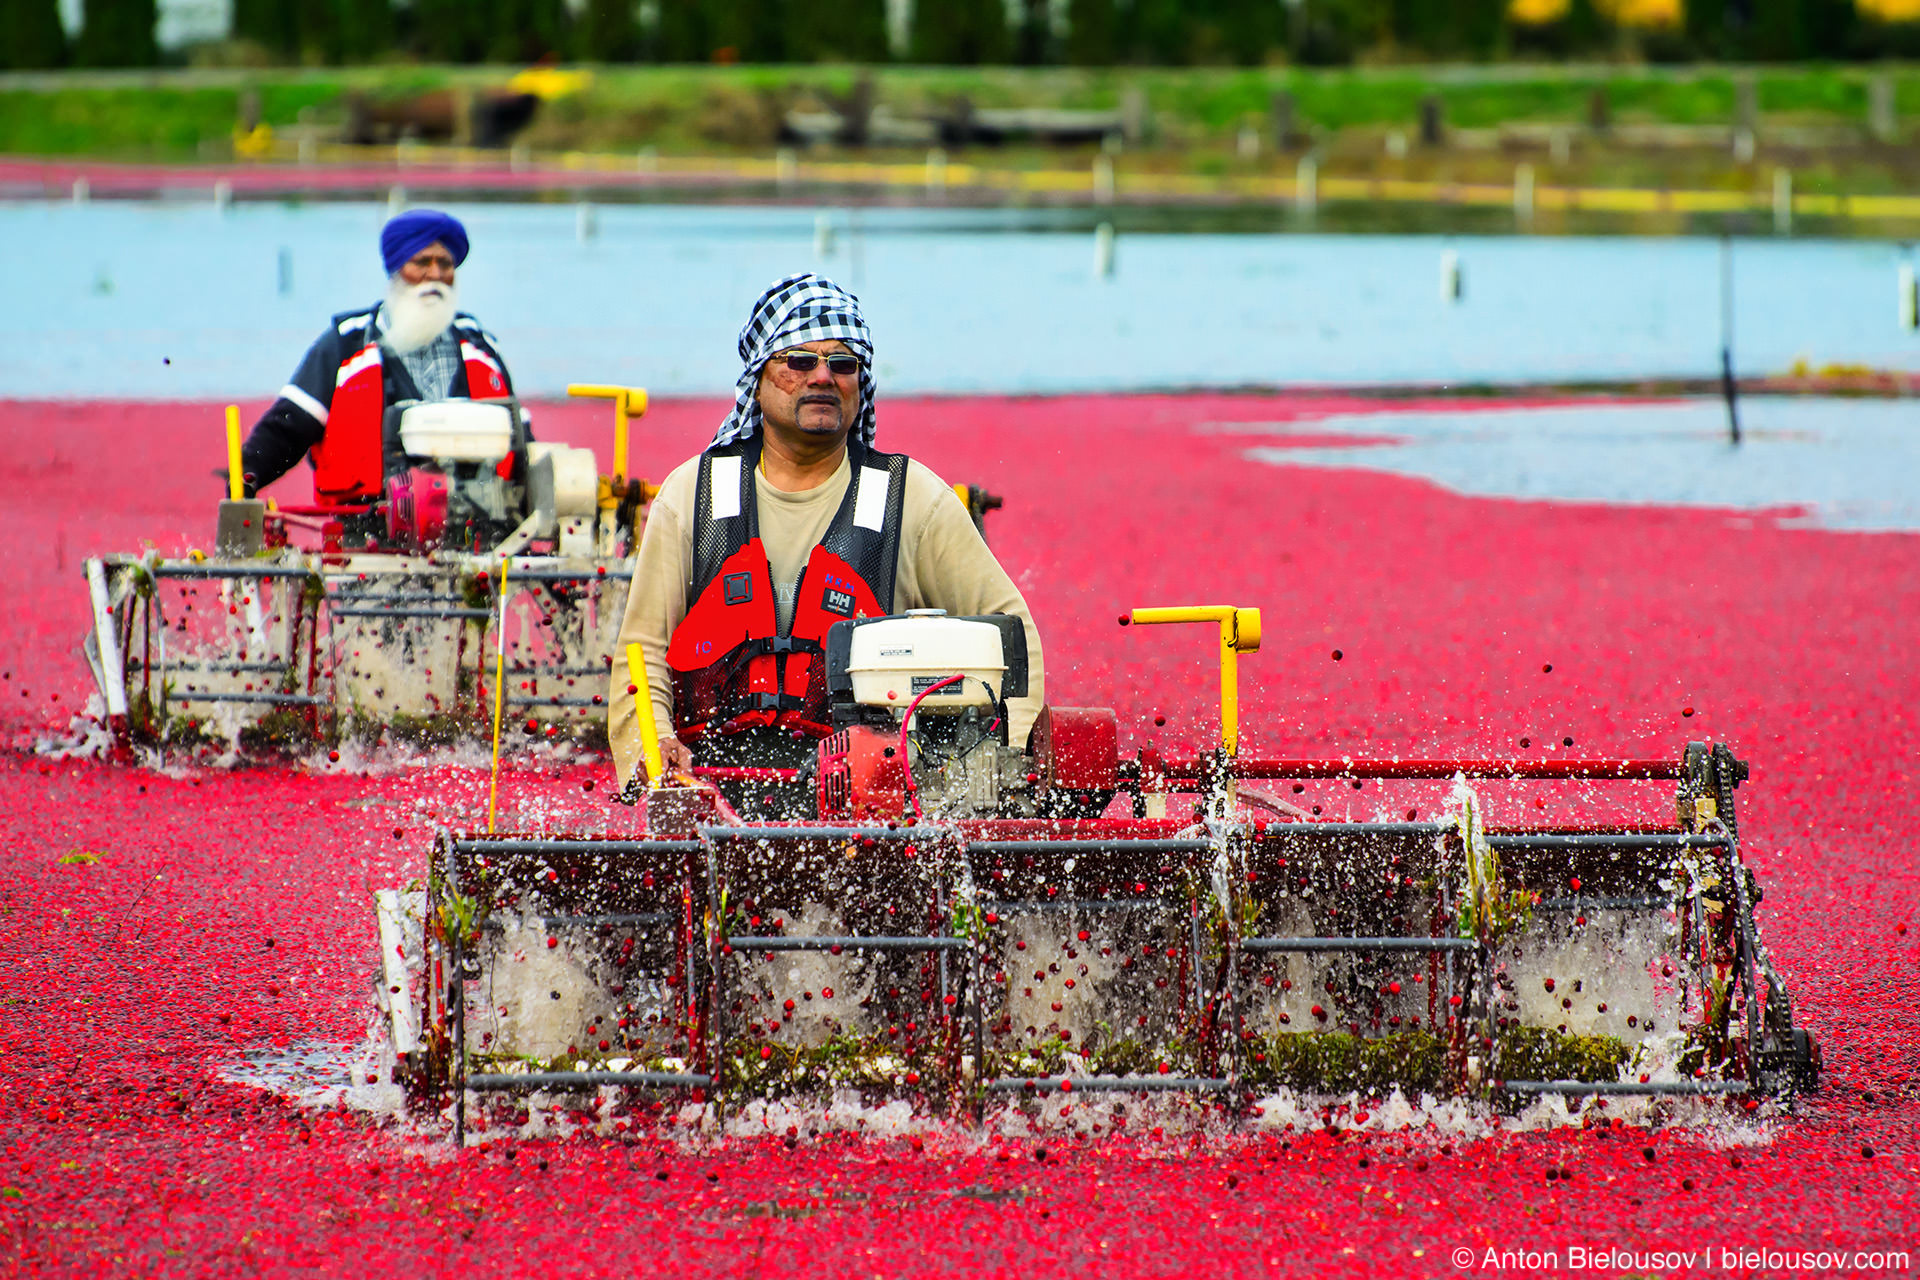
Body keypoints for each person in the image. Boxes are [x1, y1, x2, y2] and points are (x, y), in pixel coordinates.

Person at [607, 272, 1045, 795]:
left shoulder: (915, 501)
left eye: (842, 364)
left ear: (860, 384)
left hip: (871, 795)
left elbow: (1011, 634)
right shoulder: (692, 496)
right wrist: (653, 756)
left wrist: (1014, 766)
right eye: (799, 361)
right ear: (759, 376)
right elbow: (643, 651)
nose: (822, 377)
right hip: (711, 786)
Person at [237, 208, 516, 504]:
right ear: (396, 270)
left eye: (445, 264)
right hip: (367, 527)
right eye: (422, 262)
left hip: (477, 524)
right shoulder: (346, 344)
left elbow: (521, 441)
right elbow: (288, 428)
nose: (435, 274)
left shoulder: (481, 347)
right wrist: (246, 477)